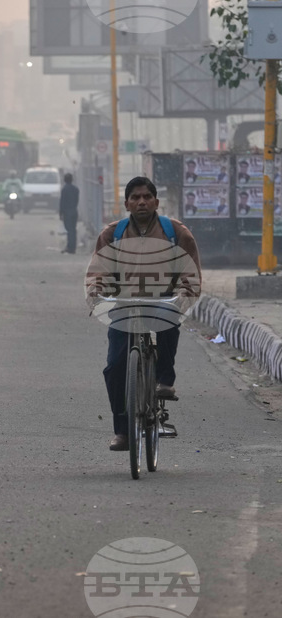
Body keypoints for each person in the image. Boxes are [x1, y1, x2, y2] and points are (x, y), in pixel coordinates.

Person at [87, 176, 202, 452]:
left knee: (167, 316)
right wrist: (96, 292)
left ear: (156, 201)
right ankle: (122, 431)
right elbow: (98, 271)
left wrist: (183, 297)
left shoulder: (176, 233)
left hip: (162, 300)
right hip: (124, 305)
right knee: (115, 366)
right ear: (126, 203)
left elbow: (191, 273)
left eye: (146, 197)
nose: (141, 202)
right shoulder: (112, 234)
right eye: (135, 197)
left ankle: (164, 380)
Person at [59, 173, 79, 254]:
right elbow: (77, 201)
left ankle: (70, 248)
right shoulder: (76, 189)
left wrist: (61, 213)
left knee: (69, 230)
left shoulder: (64, 189)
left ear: (64, 180)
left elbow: (62, 202)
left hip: (67, 212)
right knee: (73, 230)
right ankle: (73, 247)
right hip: (74, 211)